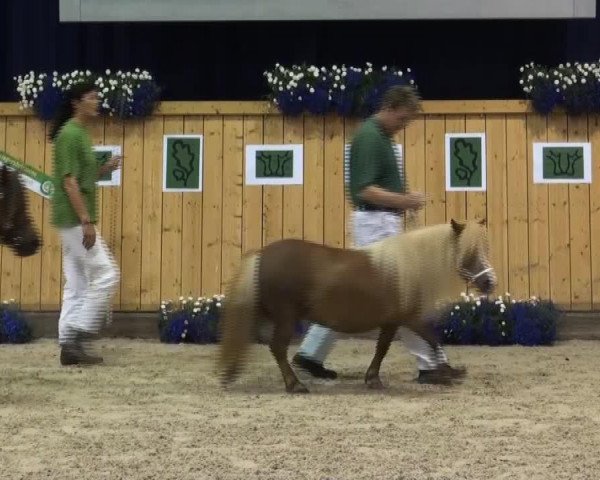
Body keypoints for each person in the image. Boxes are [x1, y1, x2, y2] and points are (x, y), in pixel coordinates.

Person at [292, 85, 465, 384]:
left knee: (354, 293)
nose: (404, 126)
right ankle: (430, 363)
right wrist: (405, 201)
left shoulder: (380, 137)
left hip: (381, 222)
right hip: (375, 224)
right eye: (403, 119)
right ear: (391, 107)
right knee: (401, 296)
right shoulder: (370, 138)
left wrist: (403, 201)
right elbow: (364, 189)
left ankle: (310, 354)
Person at [49, 81, 121, 366]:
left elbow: (81, 177)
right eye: (92, 97)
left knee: (77, 283)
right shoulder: (71, 135)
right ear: (77, 103)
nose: (98, 101)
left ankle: (69, 344)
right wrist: (86, 221)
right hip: (74, 219)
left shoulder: (77, 133)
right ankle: (77, 335)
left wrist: (105, 169)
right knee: (106, 275)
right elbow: (69, 182)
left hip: (69, 219)